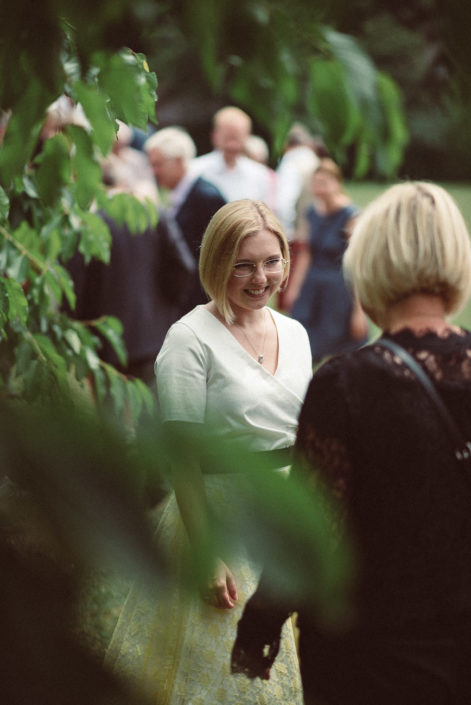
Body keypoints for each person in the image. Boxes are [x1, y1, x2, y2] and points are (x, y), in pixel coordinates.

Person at [232, 182, 471, 704]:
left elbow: (309, 536)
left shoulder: (347, 385)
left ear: (370, 265)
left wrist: (258, 627)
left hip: (371, 660)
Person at [105, 199, 312, 704]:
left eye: (271, 261)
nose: (260, 278)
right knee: (217, 677)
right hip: (219, 522)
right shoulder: (189, 339)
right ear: (216, 264)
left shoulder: (296, 333)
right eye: (243, 265)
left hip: (280, 524)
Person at [284, 158, 368, 362]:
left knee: (338, 351)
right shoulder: (312, 212)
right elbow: (307, 253)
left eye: (324, 183)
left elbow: (358, 263)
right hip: (312, 286)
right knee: (301, 343)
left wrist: (359, 311)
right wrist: (294, 288)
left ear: (337, 183)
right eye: (315, 183)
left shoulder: (351, 216)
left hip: (338, 289)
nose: (319, 188)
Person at [145, 126, 226, 314]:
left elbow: (220, 255)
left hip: (200, 304)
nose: (153, 172)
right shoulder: (176, 194)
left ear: (179, 161)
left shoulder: (207, 197)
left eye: (158, 165)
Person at [190, 106, 274, 207]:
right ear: (214, 135)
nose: (231, 145)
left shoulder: (260, 175)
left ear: (247, 136)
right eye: (227, 138)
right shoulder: (195, 171)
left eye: (236, 138)